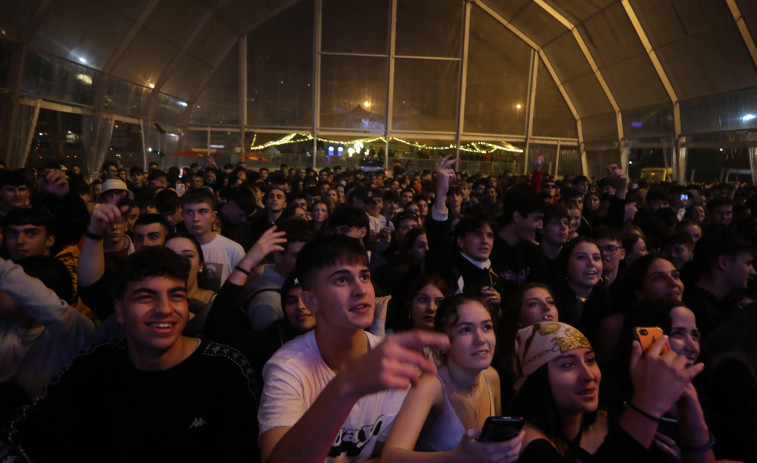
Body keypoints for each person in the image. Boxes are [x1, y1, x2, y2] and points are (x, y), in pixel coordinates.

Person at [1, 247, 260, 462]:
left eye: (176, 296)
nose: (165, 309)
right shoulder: (95, 366)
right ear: (120, 310)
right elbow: (27, 440)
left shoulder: (226, 369)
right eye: (146, 297)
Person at [257, 234, 449, 463]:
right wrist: (344, 387)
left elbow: (386, 457)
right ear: (311, 301)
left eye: (364, 276)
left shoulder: (391, 361)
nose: (361, 289)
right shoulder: (288, 367)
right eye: (341, 280)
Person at [509, 322, 713, 463]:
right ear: (538, 380)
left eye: (590, 360)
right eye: (568, 365)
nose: (588, 375)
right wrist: (648, 402)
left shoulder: (607, 420)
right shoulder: (523, 441)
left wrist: (694, 422)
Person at [380, 295, 524, 462]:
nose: (481, 339)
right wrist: (457, 457)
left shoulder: (491, 377)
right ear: (443, 340)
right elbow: (390, 457)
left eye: (487, 327)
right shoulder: (430, 385)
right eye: (465, 330)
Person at [181, 188, 244, 291]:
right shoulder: (173, 248)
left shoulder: (234, 250)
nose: (196, 219)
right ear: (182, 215)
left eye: (202, 212)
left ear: (213, 216)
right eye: (189, 212)